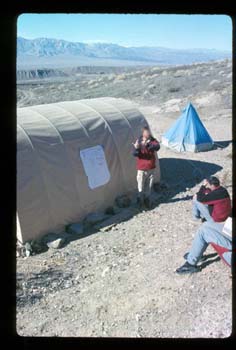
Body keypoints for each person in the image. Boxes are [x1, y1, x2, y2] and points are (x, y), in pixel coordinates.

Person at [132, 126, 160, 209]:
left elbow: (157, 147)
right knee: (140, 187)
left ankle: (147, 202)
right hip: (142, 169)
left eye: (149, 132)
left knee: (148, 187)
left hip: (151, 168)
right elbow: (135, 154)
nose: (148, 134)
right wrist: (137, 148)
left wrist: (148, 144)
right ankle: (139, 203)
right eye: (146, 132)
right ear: (143, 133)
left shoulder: (152, 141)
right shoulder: (139, 141)